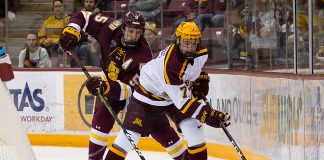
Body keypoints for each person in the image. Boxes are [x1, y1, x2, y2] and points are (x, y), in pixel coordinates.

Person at [59, 11, 187, 160]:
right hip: (109, 83)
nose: (133, 35)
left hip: (139, 96)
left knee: (159, 126)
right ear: (123, 28)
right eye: (130, 31)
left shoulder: (143, 56)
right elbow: (82, 16)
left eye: (137, 32)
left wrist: (105, 87)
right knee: (99, 125)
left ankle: (184, 157)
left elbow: (131, 90)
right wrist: (72, 30)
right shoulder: (109, 27)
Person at [105, 21, 231, 160]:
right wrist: (208, 114)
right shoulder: (171, 66)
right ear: (177, 41)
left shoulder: (201, 53)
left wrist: (198, 78)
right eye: (185, 42)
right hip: (147, 98)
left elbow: (191, 71)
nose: (189, 47)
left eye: (193, 42)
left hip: (173, 94)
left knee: (195, 132)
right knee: (129, 137)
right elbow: (183, 103)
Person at [38, 0, 70, 67]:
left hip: (61, 46)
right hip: (48, 46)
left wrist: (56, 41)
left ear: (64, 7)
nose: (57, 8)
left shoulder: (68, 20)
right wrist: (44, 41)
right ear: (53, 8)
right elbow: (41, 36)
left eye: (59, 6)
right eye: (55, 7)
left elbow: (69, 36)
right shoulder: (48, 21)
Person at [72, 0, 101, 67]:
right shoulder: (80, 14)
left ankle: (94, 69)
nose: (88, 4)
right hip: (80, 41)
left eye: (91, 2)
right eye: (87, 2)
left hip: (93, 42)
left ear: (95, 3)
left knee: (84, 48)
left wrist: (93, 40)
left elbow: (98, 32)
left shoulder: (99, 16)